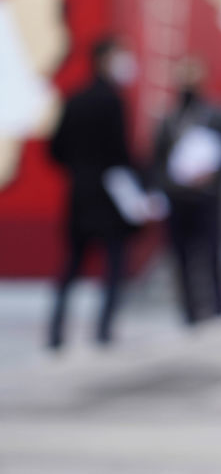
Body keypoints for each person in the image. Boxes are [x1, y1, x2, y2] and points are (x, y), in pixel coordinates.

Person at [46, 36, 137, 349]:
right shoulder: (113, 101)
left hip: (79, 195)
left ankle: (56, 332)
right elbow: (121, 153)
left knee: (71, 267)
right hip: (109, 197)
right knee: (113, 267)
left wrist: (79, 168)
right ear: (104, 60)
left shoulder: (74, 99)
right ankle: (103, 330)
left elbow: (55, 150)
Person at [150, 56, 221, 326]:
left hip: (208, 200)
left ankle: (220, 312)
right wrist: (172, 183)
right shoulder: (169, 120)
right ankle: (190, 315)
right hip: (179, 202)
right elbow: (156, 162)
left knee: (212, 259)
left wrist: (212, 175)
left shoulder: (216, 117)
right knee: (182, 263)